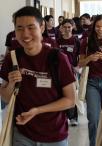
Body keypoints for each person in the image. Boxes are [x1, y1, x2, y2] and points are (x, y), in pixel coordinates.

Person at [0, 6, 76, 146]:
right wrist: (11, 83)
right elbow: (4, 97)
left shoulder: (58, 58)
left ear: (41, 27)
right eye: (20, 28)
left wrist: (37, 111)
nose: (25, 34)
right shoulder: (12, 57)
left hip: (55, 135)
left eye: (31, 27)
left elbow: (70, 100)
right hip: (23, 134)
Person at [78, 14, 102, 146]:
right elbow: (80, 63)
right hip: (91, 83)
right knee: (93, 118)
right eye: (97, 26)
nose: (100, 29)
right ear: (93, 26)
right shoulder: (87, 40)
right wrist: (90, 58)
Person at [57, 19, 81, 126]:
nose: (67, 29)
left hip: (72, 71)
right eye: (65, 27)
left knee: (71, 93)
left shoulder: (76, 41)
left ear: (73, 27)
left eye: (69, 27)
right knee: (60, 93)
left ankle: (73, 117)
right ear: (61, 28)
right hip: (59, 71)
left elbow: (80, 56)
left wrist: (78, 67)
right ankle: (62, 116)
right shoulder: (58, 41)